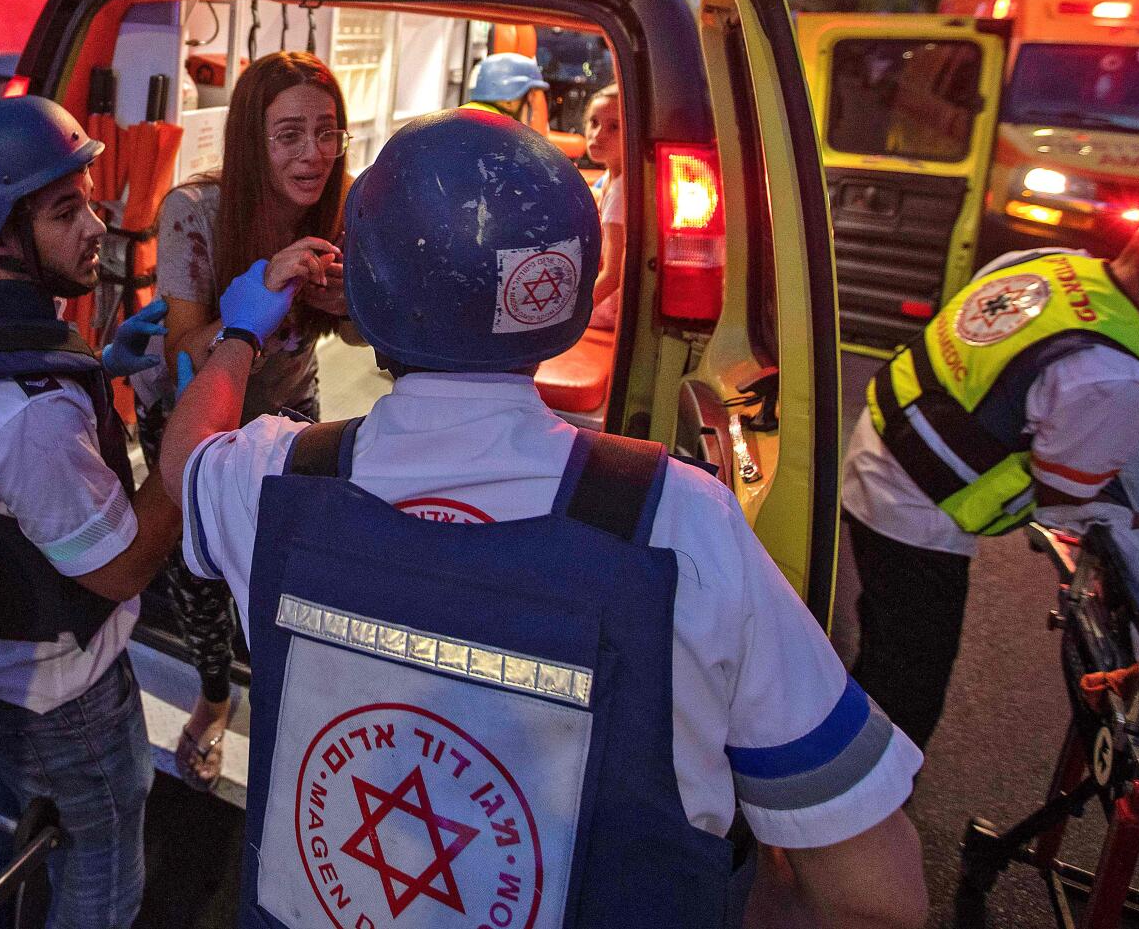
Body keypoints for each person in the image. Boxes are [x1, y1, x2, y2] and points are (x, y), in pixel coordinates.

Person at [160, 109, 927, 929]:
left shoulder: (277, 478)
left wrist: (241, 330)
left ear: (371, 293)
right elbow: (875, 895)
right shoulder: (676, 519)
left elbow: (182, 461)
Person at [842, 182, 1139, 749]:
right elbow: (1069, 506)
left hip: (880, 443)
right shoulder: (1110, 374)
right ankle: (853, 816)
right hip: (918, 517)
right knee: (904, 690)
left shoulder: (1043, 264)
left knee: (878, 647)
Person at [0, 96, 181, 926]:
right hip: (64, 691)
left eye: (86, 199)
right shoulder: (30, 413)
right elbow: (124, 563)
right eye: (66, 211)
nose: (96, 225)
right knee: (102, 858)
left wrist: (100, 361)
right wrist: (187, 446)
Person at [136, 50, 357, 789]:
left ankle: (293, 712)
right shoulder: (195, 210)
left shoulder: (342, 206)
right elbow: (178, 355)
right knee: (199, 580)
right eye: (289, 134)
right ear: (250, 140)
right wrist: (259, 296)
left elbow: (362, 335)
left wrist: (344, 303)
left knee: (289, 571)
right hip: (196, 414)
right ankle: (211, 697)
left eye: (327, 133)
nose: (313, 154)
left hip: (291, 406)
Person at [584, 84, 626, 330]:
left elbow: (613, 275)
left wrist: (571, 315)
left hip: (608, 307)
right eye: (594, 122)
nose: (598, 135)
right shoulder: (609, 179)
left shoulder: (620, 192)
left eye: (614, 127)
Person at [461, 51, 548, 121]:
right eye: (530, 98)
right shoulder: (502, 136)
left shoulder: (456, 117)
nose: (533, 109)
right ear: (509, 101)